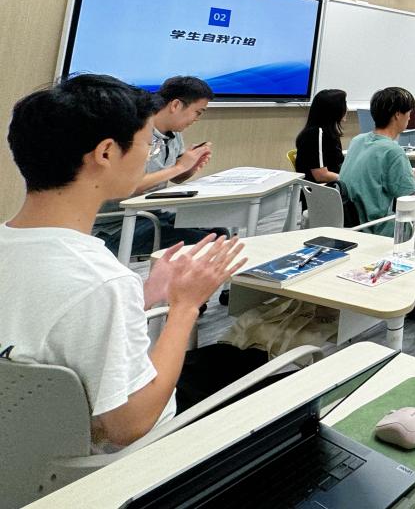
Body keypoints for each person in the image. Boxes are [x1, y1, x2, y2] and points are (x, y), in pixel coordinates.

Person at [0, 74, 262, 450]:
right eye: (145, 145)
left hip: (23, 441)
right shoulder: (102, 281)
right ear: (106, 153)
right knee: (264, 368)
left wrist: (144, 296)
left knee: (228, 357)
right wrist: (185, 306)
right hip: (132, 452)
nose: (148, 156)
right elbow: (130, 425)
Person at [341, 86, 415, 319]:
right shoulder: (392, 151)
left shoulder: (358, 140)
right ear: (397, 114)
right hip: (375, 227)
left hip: (350, 222)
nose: (410, 117)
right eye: (408, 112)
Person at [92, 75, 217, 258]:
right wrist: (179, 167)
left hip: (152, 214)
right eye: (198, 112)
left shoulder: (174, 134)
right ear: (176, 105)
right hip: (117, 225)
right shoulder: (136, 131)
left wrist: (190, 167)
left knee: (218, 232)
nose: (196, 119)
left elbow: (175, 178)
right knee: (208, 244)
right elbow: (130, 185)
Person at [294, 88, 347, 184]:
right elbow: (321, 175)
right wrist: (348, 178)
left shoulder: (329, 131)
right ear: (334, 109)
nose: (347, 108)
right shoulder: (316, 133)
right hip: (321, 189)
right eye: (344, 104)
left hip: (332, 185)